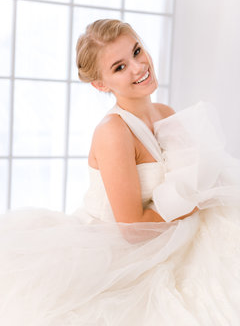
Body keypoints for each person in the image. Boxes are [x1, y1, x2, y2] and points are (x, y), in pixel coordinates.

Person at [0, 19, 240, 325]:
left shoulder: (166, 113)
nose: (139, 67)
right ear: (101, 84)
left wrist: (204, 190)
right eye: (119, 67)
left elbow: (192, 174)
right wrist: (195, 200)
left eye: (137, 51)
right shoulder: (114, 131)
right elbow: (132, 229)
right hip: (120, 250)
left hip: (168, 236)